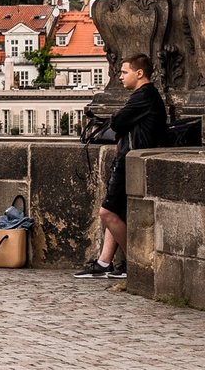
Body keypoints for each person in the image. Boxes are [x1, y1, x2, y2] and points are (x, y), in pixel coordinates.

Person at [75, 53, 167, 279]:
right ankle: (104, 262)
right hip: (131, 157)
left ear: (139, 73)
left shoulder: (143, 95)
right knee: (115, 212)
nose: (120, 77)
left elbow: (117, 122)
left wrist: (117, 119)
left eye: (124, 72)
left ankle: (135, 261)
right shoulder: (146, 95)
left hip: (131, 160)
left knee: (106, 212)